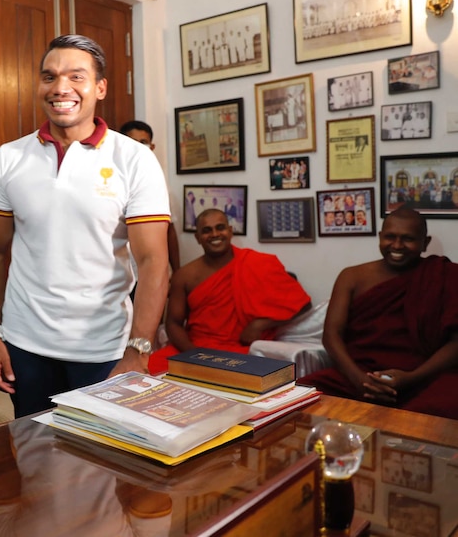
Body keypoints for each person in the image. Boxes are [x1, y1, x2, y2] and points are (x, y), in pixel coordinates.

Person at [0, 35, 170, 418]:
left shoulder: (133, 160)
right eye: (49, 76)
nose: (60, 88)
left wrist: (139, 350)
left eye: (76, 76)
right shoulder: (8, 158)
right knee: (34, 459)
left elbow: (154, 263)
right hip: (24, 347)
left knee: (102, 467)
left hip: (102, 349)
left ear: (100, 88)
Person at [298, 207, 458, 419]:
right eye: (390, 237)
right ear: (380, 237)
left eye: (408, 239)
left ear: (425, 243)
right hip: (359, 374)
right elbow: (331, 336)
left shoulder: (445, 275)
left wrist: (411, 378)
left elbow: (456, 343)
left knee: (445, 407)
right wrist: (360, 380)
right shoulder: (352, 277)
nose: (397, 245)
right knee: (304, 395)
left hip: (423, 376)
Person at [151, 209, 310, 374]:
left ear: (230, 231)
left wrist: (259, 325)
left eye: (220, 227)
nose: (214, 234)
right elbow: (173, 323)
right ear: (198, 238)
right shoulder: (185, 275)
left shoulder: (256, 263)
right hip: (195, 348)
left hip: (241, 351)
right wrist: (195, 354)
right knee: (147, 372)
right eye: (206, 230)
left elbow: (303, 304)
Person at [119, 120, 180, 273]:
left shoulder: (160, 184)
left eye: (143, 143)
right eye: (132, 142)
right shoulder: (109, 178)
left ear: (152, 147)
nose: (138, 148)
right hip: (115, 271)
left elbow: (169, 231)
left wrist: (177, 271)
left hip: (145, 272)